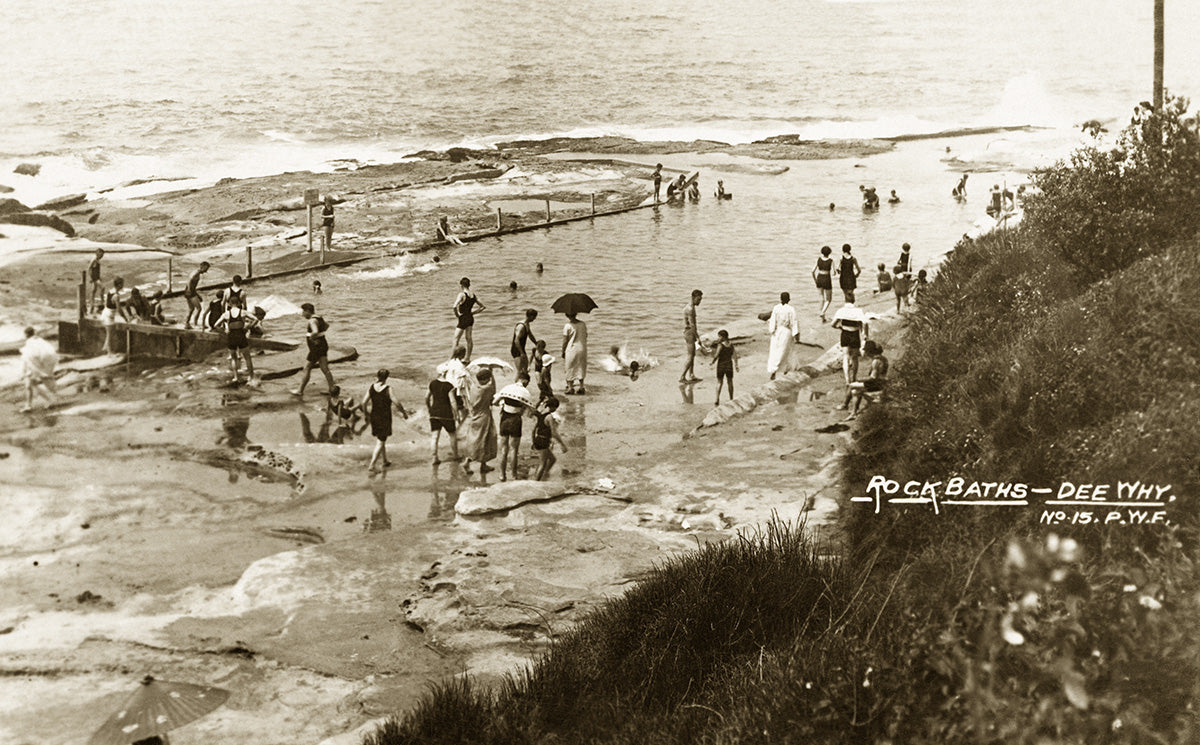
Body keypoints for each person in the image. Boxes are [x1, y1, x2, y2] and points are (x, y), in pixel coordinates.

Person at [364, 369, 409, 472]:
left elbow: (363, 402)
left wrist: (366, 414)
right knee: (380, 441)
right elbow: (396, 402)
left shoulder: (371, 387)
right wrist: (404, 413)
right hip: (384, 417)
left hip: (374, 416)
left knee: (381, 438)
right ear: (386, 378)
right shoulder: (388, 389)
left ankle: (385, 460)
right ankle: (372, 465)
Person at [461, 367, 498, 478]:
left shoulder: (474, 387)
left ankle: (483, 464)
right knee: (484, 440)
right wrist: (492, 374)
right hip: (484, 416)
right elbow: (493, 390)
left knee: (476, 440)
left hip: (474, 416)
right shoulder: (485, 390)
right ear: (486, 379)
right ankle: (468, 462)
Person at [292, 303, 335, 396]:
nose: (302, 314)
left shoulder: (312, 320)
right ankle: (332, 388)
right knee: (325, 368)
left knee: (307, 367)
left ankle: (300, 390)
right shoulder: (319, 318)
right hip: (323, 345)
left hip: (316, 348)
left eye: (303, 312)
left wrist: (312, 338)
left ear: (307, 311)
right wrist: (320, 334)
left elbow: (315, 331)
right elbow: (327, 326)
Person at [495, 372, 531, 481]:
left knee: (503, 449)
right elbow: (529, 410)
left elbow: (495, 402)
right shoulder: (524, 392)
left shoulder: (507, 388)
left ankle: (502, 475)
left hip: (504, 418)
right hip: (515, 420)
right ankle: (514, 475)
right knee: (514, 450)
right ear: (524, 381)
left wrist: (503, 404)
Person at [843, 340, 888, 418]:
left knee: (852, 386)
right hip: (881, 382)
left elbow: (873, 377)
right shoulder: (883, 359)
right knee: (855, 391)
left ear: (870, 352)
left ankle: (846, 406)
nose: (866, 353)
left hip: (877, 384)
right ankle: (854, 411)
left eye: (866, 351)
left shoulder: (876, 361)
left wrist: (860, 379)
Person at [216, 300, 255, 384]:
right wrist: (248, 327)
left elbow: (216, 325)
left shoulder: (226, 314)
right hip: (241, 334)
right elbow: (255, 319)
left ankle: (236, 377)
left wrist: (224, 331)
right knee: (247, 357)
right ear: (238, 303)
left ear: (229, 304)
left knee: (233, 357)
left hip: (231, 336)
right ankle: (251, 377)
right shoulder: (243, 312)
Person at [427, 368, 461, 465]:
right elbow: (452, 401)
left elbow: (427, 397)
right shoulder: (449, 386)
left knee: (434, 436)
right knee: (452, 435)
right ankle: (455, 455)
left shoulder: (432, 383)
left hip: (434, 413)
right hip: (446, 414)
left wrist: (429, 408)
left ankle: (434, 457)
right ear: (446, 373)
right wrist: (457, 414)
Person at [20, 327, 57, 412]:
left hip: (33, 366)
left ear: (26, 335)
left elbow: (27, 357)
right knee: (30, 385)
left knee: (30, 385)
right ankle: (30, 405)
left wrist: (23, 371)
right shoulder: (38, 340)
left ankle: (31, 405)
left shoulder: (30, 342)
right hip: (39, 364)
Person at [532, 396, 567, 480]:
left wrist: (533, 441)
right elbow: (554, 433)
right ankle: (536, 481)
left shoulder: (541, 414)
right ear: (553, 407)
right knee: (542, 463)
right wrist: (562, 444)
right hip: (543, 441)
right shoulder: (550, 417)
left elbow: (533, 430)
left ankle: (544, 475)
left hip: (538, 439)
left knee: (552, 459)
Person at [832, 304, 868, 389]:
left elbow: (833, 324)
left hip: (845, 333)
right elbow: (865, 322)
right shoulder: (858, 311)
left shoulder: (841, 310)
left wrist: (840, 328)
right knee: (854, 358)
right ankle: (854, 378)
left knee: (846, 357)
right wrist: (865, 334)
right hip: (855, 334)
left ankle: (847, 380)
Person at [766, 292, 800, 380]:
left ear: (780, 299)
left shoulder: (776, 308)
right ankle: (786, 369)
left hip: (777, 331)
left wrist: (772, 330)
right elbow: (794, 322)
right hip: (786, 331)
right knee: (786, 351)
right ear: (789, 299)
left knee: (775, 351)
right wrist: (796, 334)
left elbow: (773, 321)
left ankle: (774, 371)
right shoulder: (791, 309)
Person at [452, 277, 484, 360]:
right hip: (470, 318)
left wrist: (457, 315)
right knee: (469, 338)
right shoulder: (473, 295)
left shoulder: (462, 294)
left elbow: (454, 306)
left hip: (463, 318)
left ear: (462, 285)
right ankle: (467, 358)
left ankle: (453, 358)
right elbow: (482, 307)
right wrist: (473, 313)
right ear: (469, 285)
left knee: (456, 339)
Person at [561, 312, 588, 394]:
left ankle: (570, 387)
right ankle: (581, 387)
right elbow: (586, 335)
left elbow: (565, 340)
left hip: (572, 348)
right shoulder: (583, 324)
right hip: (582, 348)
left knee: (569, 367)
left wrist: (563, 351)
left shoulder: (568, 326)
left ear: (567, 315)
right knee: (581, 367)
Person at [100, 277, 128, 355]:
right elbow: (119, 309)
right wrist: (125, 317)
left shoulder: (110, 290)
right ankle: (109, 353)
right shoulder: (116, 296)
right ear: (119, 285)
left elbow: (108, 303)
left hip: (106, 313)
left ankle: (105, 348)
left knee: (110, 333)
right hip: (109, 316)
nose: (123, 285)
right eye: (122, 284)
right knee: (110, 335)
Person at [710, 329, 739, 405]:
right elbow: (735, 355)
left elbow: (717, 355)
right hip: (729, 364)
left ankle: (717, 399)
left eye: (719, 336)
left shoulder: (720, 345)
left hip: (721, 365)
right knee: (730, 382)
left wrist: (712, 362)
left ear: (723, 337)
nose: (718, 338)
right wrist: (736, 365)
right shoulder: (731, 344)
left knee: (719, 382)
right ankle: (731, 398)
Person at [680, 289, 703, 383]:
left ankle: (691, 374)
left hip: (689, 332)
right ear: (693, 298)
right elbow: (693, 325)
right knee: (690, 355)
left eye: (700, 299)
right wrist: (698, 338)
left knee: (692, 355)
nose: (699, 301)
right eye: (698, 299)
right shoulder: (690, 309)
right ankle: (682, 376)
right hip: (689, 332)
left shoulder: (690, 307)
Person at [510, 309, 538, 376]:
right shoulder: (521, 326)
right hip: (517, 350)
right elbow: (516, 341)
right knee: (520, 371)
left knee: (525, 370)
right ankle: (516, 384)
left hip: (521, 349)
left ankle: (523, 384)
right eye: (534, 317)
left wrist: (536, 344)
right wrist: (522, 353)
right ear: (530, 316)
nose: (535, 318)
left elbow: (530, 335)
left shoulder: (526, 324)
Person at [183, 261, 210, 329]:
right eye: (206, 269)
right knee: (199, 308)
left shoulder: (196, 272)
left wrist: (197, 294)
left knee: (191, 309)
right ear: (202, 267)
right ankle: (195, 323)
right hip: (190, 292)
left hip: (190, 291)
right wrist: (189, 290)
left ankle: (187, 323)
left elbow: (192, 284)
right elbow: (189, 280)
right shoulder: (196, 273)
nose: (206, 271)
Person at [812, 245, 834, 322]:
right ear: (829, 253)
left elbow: (812, 271)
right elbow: (834, 273)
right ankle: (823, 312)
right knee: (829, 299)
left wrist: (815, 280)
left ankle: (822, 317)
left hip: (819, 277)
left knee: (821, 297)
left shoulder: (818, 260)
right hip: (827, 278)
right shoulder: (831, 261)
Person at [87, 248, 104, 314]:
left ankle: (92, 306)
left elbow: (96, 269)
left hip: (97, 277)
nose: (102, 256)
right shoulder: (94, 259)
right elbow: (89, 268)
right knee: (102, 288)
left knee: (93, 291)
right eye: (101, 255)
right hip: (94, 278)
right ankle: (101, 303)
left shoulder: (97, 259)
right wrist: (90, 277)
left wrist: (99, 277)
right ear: (98, 253)